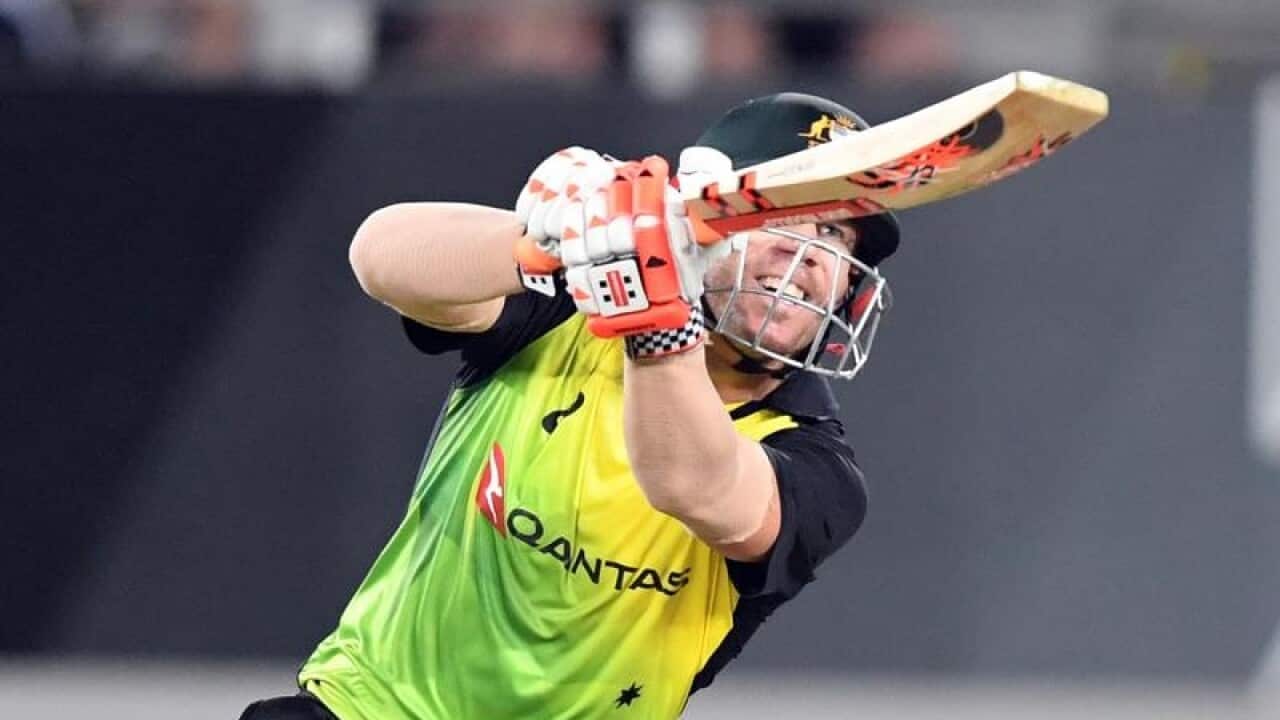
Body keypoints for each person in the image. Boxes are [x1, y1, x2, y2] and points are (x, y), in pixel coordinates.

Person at [240, 92, 900, 720]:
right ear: (696, 217)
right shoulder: (566, 313)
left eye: (835, 235)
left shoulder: (818, 467)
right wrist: (548, 239)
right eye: (777, 214)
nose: (807, 252)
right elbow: (383, 256)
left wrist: (653, 313)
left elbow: (693, 484)